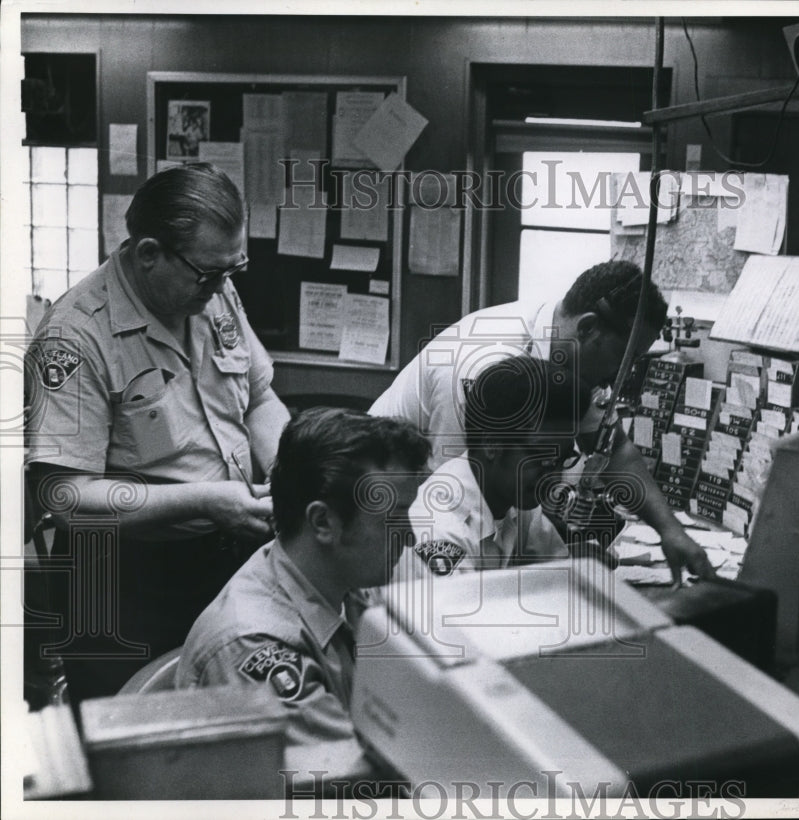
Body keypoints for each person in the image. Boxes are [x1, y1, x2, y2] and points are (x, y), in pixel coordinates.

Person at [24, 162, 289, 702]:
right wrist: (206, 500)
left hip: (225, 551)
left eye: (231, 270)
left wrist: (289, 473)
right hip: (123, 577)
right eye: (208, 274)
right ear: (149, 254)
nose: (221, 288)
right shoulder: (76, 338)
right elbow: (64, 496)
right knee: (130, 734)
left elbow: (259, 397)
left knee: (228, 713)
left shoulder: (212, 289)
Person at [370, 260, 716, 583]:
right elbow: (460, 491)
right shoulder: (485, 362)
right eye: (623, 359)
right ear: (588, 327)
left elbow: (613, 448)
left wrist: (671, 531)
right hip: (384, 502)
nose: (619, 377)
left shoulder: (567, 365)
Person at [176, 408, 430, 774]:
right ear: (324, 522)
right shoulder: (254, 644)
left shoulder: (346, 587)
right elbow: (358, 785)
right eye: (394, 516)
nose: (410, 536)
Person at [397, 356, 590, 580]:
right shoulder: (440, 529)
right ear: (492, 444)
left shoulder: (519, 497)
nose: (554, 476)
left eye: (565, 459)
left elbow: (560, 576)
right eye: (544, 459)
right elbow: (458, 614)